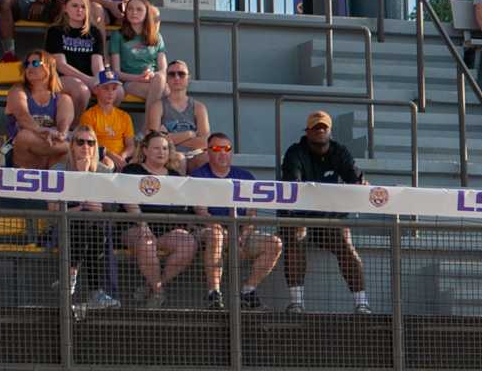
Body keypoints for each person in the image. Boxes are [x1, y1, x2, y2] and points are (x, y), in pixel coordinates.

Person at [277, 110, 373, 314]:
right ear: (308, 132)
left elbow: (355, 179)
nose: (320, 131)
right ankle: (297, 304)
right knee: (295, 236)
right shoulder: (295, 152)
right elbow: (293, 186)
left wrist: (360, 183)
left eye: (324, 128)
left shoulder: (340, 151)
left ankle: (362, 304)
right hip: (298, 215)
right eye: (315, 128)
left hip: (329, 218)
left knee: (345, 242)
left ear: (330, 131)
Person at [189, 132, 284, 311]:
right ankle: (214, 294)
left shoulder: (245, 177)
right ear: (208, 152)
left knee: (274, 243)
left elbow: (251, 213)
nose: (222, 153)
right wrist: (227, 233)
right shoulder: (199, 175)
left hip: (240, 235)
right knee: (216, 235)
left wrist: (242, 235)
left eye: (227, 148)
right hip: (207, 232)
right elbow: (201, 212)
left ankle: (248, 291)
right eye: (217, 148)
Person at [118, 133, 198, 307]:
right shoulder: (131, 171)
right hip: (134, 228)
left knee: (188, 243)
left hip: (165, 231)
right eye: (156, 148)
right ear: (145, 150)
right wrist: (144, 225)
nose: (161, 152)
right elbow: (127, 200)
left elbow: (183, 210)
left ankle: (152, 286)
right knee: (147, 241)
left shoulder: (176, 177)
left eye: (164, 148)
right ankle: (159, 293)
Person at [61, 126, 122, 311]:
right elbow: (53, 208)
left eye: (91, 142)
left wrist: (92, 205)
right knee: (81, 222)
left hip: (96, 229)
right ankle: (94, 290)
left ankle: (71, 273)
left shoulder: (104, 172)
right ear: (72, 145)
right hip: (63, 226)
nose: (85, 146)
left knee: (93, 229)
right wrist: (83, 203)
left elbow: (108, 208)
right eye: (80, 141)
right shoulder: (59, 169)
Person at [4, 54, 75, 171]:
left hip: (52, 150)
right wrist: (41, 131)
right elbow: (22, 116)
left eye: (35, 63)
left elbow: (63, 127)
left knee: (73, 143)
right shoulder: (17, 91)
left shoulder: (63, 99)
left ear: (49, 67)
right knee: (24, 136)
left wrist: (58, 135)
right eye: (27, 64)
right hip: (23, 153)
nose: (29, 67)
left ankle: (54, 172)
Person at [42, 0, 107, 112]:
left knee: (117, 92)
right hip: (60, 78)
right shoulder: (55, 31)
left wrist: (100, 81)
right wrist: (89, 80)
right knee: (81, 90)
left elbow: (98, 64)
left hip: (88, 78)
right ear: (65, 8)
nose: (79, 10)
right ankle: (75, 128)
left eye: (83, 6)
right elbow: (61, 65)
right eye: (75, 5)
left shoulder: (94, 33)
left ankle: (98, 123)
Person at [108, 0, 165, 107]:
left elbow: (163, 69)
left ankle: (150, 125)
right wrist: (138, 78)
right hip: (130, 82)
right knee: (166, 94)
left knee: (160, 79)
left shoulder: (156, 37)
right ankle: (152, 124)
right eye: (130, 9)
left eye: (139, 9)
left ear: (146, 13)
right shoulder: (117, 35)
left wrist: (151, 75)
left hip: (153, 80)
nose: (134, 12)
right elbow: (116, 72)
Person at [155, 58, 211, 168]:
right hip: (167, 155)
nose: (176, 77)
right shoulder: (157, 106)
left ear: (188, 78)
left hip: (194, 155)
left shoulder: (199, 107)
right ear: (166, 78)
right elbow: (154, 140)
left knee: (207, 158)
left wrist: (171, 139)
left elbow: (205, 142)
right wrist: (188, 135)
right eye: (172, 74)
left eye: (181, 74)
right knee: (179, 159)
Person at [79, 70, 135, 167]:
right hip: (99, 157)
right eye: (106, 88)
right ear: (96, 90)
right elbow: (90, 144)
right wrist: (113, 156)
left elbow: (130, 145)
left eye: (114, 89)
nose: (110, 93)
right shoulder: (88, 116)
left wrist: (123, 156)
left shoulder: (124, 116)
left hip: (122, 159)